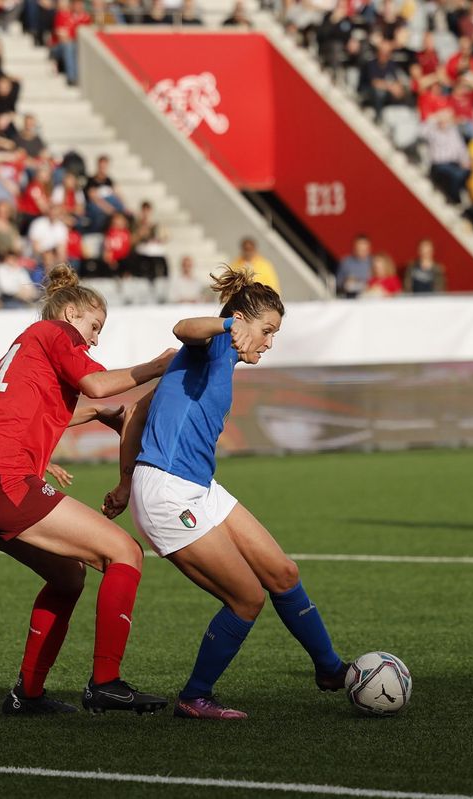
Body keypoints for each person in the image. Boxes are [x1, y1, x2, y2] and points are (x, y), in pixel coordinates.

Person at [103, 268, 349, 720]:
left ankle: (330, 670)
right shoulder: (215, 341)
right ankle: (194, 697)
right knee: (247, 598)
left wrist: (123, 481)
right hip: (168, 494)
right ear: (241, 321)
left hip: (198, 487)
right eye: (267, 331)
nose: (269, 343)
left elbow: (136, 411)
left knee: (282, 573)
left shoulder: (217, 359)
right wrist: (227, 325)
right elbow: (182, 328)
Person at [0, 263, 175, 715]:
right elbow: (95, 384)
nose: (94, 340)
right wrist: (158, 365)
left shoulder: (25, 345)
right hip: (2, 481)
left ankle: (27, 695)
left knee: (68, 577)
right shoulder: (57, 333)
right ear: (72, 313)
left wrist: (94, 415)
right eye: (94, 327)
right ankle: (106, 682)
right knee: (125, 552)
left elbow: (37, 411)